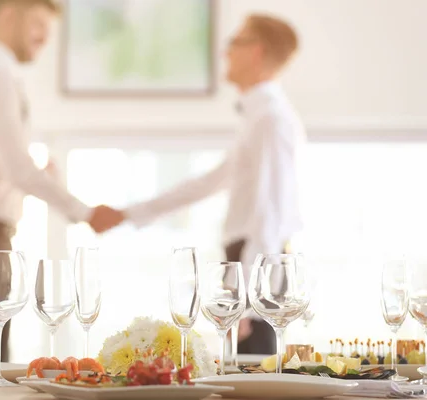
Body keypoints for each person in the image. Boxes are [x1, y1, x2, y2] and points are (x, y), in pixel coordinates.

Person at [98, 14, 306, 354]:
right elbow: (206, 184)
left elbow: (269, 214)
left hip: (257, 268)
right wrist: (127, 214)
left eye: (234, 44)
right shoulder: (260, 116)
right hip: (250, 264)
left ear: (256, 51)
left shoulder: (271, 118)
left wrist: (249, 302)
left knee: (255, 379)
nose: (226, 53)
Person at [0, 0, 121, 362]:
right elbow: (15, 168)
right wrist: (84, 211)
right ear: (7, 15)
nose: (45, 36)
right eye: (37, 23)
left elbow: (4, 165)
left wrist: (37, 174)